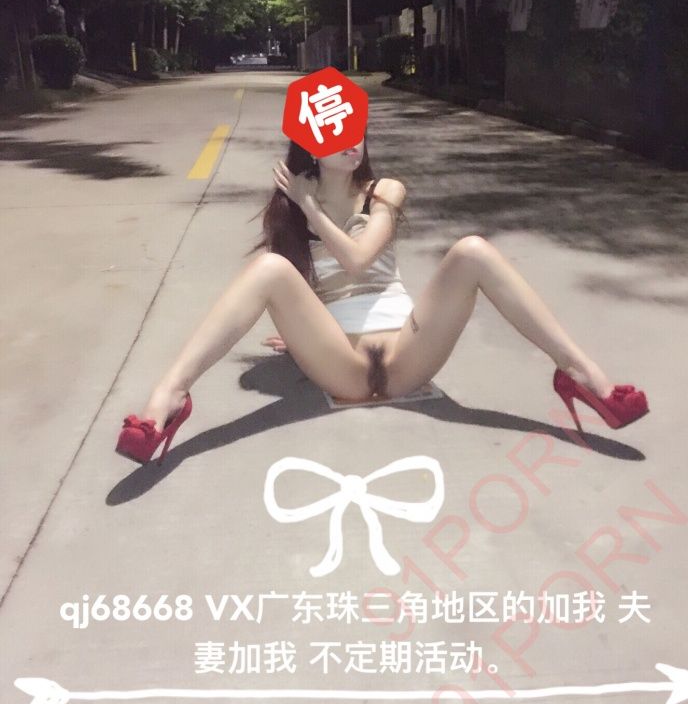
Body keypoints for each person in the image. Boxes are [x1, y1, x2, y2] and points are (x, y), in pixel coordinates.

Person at [116, 132, 648, 464]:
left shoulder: (384, 191)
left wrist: (312, 209)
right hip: (343, 367)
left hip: (406, 355)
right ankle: (168, 399)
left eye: (355, 131)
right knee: (270, 268)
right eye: (334, 133)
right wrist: (304, 331)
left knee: (472, 250)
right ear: (310, 146)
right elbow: (299, 283)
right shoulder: (289, 211)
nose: (351, 142)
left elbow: (359, 259)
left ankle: (581, 375)